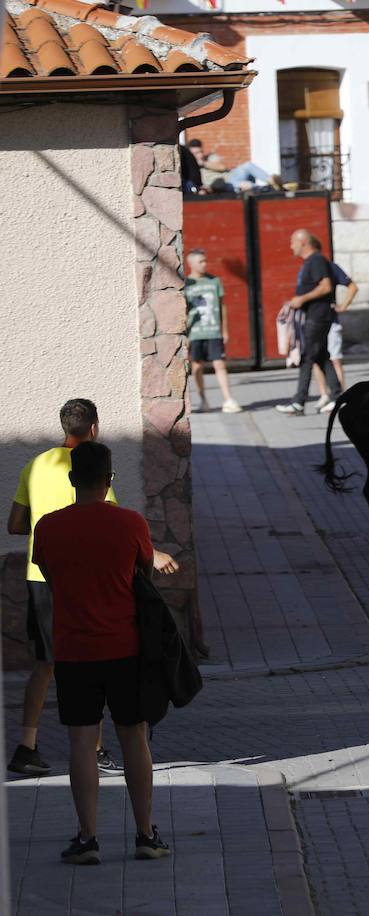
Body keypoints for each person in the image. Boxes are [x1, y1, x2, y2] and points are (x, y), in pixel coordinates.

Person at [7, 400, 178, 779]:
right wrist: (157, 553)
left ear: (63, 425)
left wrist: (45, 528)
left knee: (46, 663)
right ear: (95, 429)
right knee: (92, 657)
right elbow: (111, 524)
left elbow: (16, 523)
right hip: (84, 581)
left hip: (42, 577)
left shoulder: (35, 465)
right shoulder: (93, 469)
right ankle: (97, 749)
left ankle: (27, 745)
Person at [33, 442, 173, 865]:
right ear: (110, 480)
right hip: (126, 647)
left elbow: (49, 576)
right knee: (134, 736)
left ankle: (88, 838)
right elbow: (142, 571)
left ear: (73, 480)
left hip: (75, 649)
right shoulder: (131, 523)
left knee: (80, 740)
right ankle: (146, 834)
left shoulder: (49, 527)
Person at [275, 231, 341, 415]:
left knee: (307, 356)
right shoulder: (310, 262)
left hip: (318, 316)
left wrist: (302, 299)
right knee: (321, 356)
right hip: (314, 316)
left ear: (303, 242)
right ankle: (338, 397)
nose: (291, 246)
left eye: (292, 242)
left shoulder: (316, 260)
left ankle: (299, 402)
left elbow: (326, 286)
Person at [184, 248, 243, 413]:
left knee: (220, 364)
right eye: (200, 261)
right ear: (191, 264)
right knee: (196, 367)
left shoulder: (214, 281)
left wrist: (224, 330)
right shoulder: (186, 284)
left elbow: (222, 305)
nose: (204, 264)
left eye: (205, 261)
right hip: (195, 333)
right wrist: (186, 334)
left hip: (213, 331)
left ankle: (228, 399)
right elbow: (184, 310)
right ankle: (203, 400)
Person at [312, 260, 359, 411]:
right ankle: (324, 394)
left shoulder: (329, 266)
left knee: (334, 359)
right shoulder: (308, 266)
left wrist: (343, 306)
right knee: (316, 359)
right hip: (314, 321)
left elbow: (352, 287)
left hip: (331, 321)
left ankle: (339, 398)